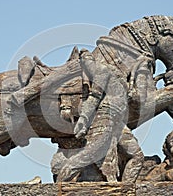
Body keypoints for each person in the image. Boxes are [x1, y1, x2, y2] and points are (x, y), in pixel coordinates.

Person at [57, 49, 144, 182]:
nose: (87, 67)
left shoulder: (103, 70)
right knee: (88, 155)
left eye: (87, 62)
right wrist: (83, 119)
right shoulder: (102, 73)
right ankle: (60, 183)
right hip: (105, 119)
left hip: (117, 121)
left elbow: (100, 97)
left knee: (137, 155)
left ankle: (125, 190)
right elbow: (94, 98)